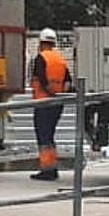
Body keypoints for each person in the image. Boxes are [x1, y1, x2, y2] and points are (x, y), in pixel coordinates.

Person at [30, 27, 72, 181]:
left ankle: (47, 170)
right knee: (50, 136)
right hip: (57, 104)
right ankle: (51, 168)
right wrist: (59, 94)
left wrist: (51, 93)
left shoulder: (40, 58)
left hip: (44, 103)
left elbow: (42, 79)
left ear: (41, 43)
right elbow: (68, 81)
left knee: (44, 138)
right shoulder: (60, 59)